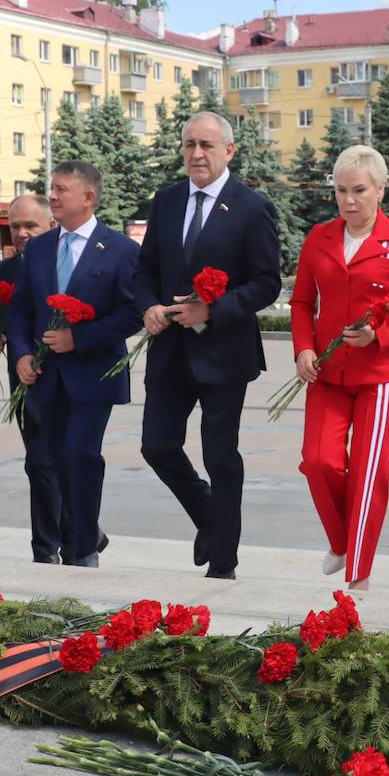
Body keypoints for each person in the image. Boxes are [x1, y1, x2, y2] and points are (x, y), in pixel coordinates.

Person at [133, 111, 283, 581]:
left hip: (224, 353)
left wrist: (212, 310)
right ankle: (209, 516)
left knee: (220, 456)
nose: (196, 154)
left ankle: (224, 562)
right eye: (189, 145)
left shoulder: (251, 207)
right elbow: (145, 268)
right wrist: (148, 306)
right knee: (157, 446)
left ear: (228, 151)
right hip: (169, 350)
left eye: (206, 145)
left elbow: (267, 283)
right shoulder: (167, 200)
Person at [288, 144, 389, 591]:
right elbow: (301, 302)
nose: (349, 200)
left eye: (359, 191)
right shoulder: (319, 238)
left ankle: (358, 576)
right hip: (327, 373)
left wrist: (380, 334)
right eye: (341, 191)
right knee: (318, 462)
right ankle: (341, 541)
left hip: (380, 377)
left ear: (381, 190)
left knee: (369, 473)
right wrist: (303, 349)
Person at [7, 161, 142, 567]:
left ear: (88, 197)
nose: (52, 196)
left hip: (93, 376)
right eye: (52, 188)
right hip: (45, 378)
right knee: (50, 461)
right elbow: (20, 311)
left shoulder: (120, 250)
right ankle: (80, 534)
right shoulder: (40, 248)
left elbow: (132, 313)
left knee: (80, 456)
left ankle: (82, 550)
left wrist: (78, 339)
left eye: (61, 189)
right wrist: (22, 354)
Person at [0, 192, 72, 563]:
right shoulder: (7, 269)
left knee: (58, 460)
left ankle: (74, 533)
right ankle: (48, 546)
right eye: (15, 226)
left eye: (31, 226)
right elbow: (5, 317)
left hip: (65, 376)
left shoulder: (67, 262)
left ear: (51, 225)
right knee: (38, 461)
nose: (22, 233)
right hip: (25, 376)